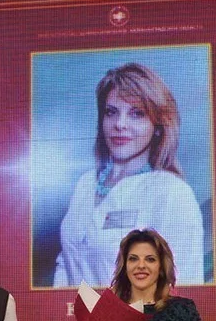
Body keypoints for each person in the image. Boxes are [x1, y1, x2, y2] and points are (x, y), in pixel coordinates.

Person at [53, 63, 205, 288]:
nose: (120, 124)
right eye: (111, 112)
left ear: (158, 126)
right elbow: (66, 263)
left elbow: (182, 286)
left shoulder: (172, 193)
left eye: (136, 114)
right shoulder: (86, 183)